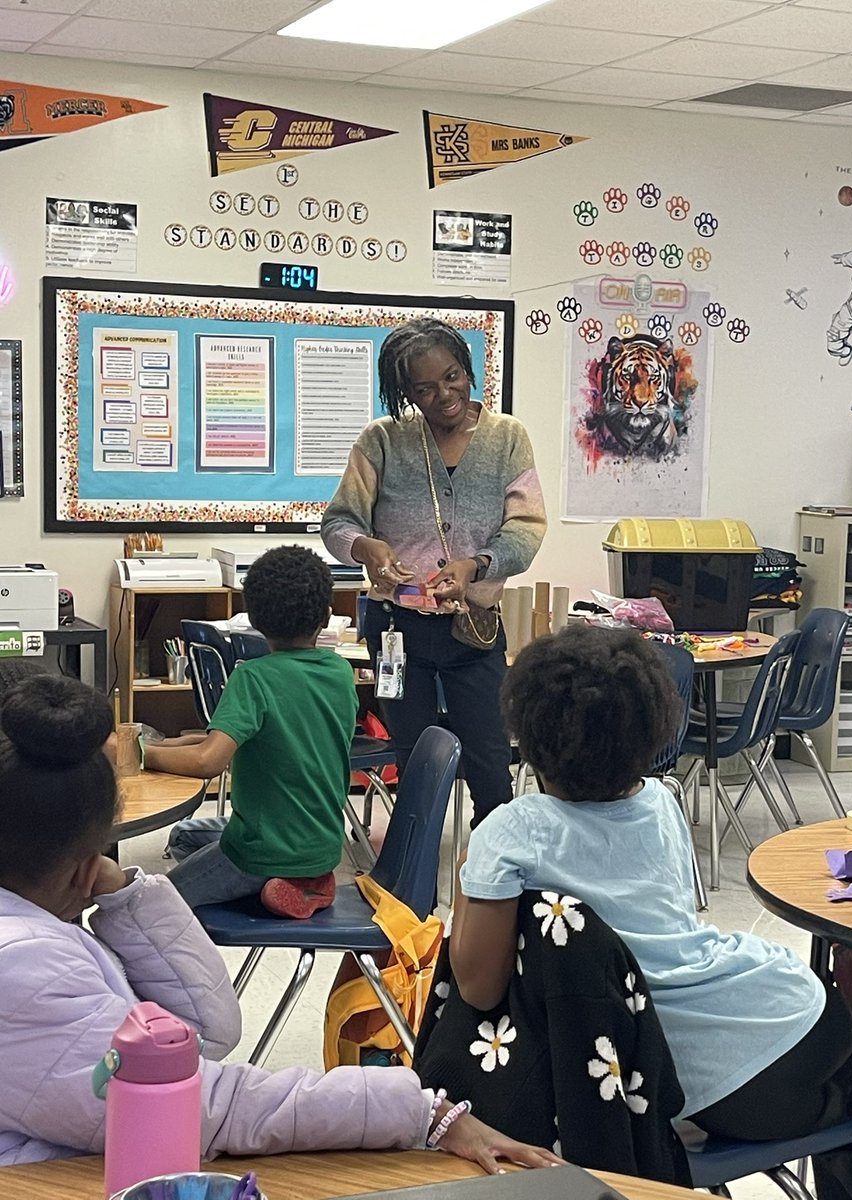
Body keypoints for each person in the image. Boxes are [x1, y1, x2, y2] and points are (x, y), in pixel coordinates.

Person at [0, 672, 564, 1171]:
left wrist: (125, 881)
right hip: (329, 857)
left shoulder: (31, 949)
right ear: (86, 859)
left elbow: (201, 1039)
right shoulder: (30, 965)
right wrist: (422, 1111)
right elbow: (210, 1103)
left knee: (196, 855)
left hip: (253, 852)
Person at [450, 625, 852, 1200]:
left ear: (527, 731)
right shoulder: (662, 800)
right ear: (652, 728)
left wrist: (474, 869)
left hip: (690, 1069)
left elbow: (477, 987)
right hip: (778, 1020)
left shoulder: (511, 833)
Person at [322, 318, 546, 827]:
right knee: (412, 756)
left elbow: (527, 528)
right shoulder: (382, 440)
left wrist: (476, 565)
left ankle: (496, 870)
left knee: (490, 758)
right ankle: (412, 863)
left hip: (473, 627)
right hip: (396, 629)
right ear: (404, 392)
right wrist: (366, 547)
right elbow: (338, 521)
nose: (443, 395)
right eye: (423, 388)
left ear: (468, 371)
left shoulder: (507, 437)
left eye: (452, 377)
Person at [144, 545, 357, 917]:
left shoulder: (253, 677)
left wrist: (141, 753)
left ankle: (274, 881)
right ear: (326, 615)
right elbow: (236, 736)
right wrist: (168, 742)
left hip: (264, 852)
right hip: (321, 844)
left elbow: (209, 760)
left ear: (254, 619)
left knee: (154, 908)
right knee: (184, 836)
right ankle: (302, 884)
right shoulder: (339, 673)